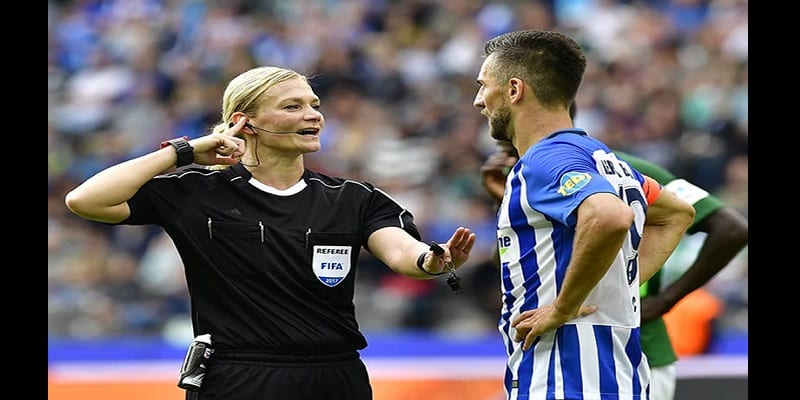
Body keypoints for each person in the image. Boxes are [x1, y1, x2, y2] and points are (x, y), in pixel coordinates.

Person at [64, 65, 477, 400]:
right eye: (292, 107)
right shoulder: (196, 192)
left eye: (314, 105)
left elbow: (404, 252)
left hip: (335, 376)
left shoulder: (353, 198)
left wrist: (431, 259)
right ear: (245, 122)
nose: (313, 115)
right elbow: (86, 200)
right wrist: (184, 151)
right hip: (238, 377)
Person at [472, 29, 696, 400]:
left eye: (483, 86)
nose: (479, 100)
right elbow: (676, 213)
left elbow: (610, 217)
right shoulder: (609, 161)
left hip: (566, 376)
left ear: (514, 90)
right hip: (619, 376)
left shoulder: (546, 159)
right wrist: (614, 282)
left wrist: (563, 308)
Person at [480, 112, 748, 400]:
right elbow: (517, 272)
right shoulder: (531, 176)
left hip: (634, 348)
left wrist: (664, 300)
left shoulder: (619, 168)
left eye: (510, 148)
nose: (509, 157)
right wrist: (507, 203)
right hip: (559, 351)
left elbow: (730, 228)